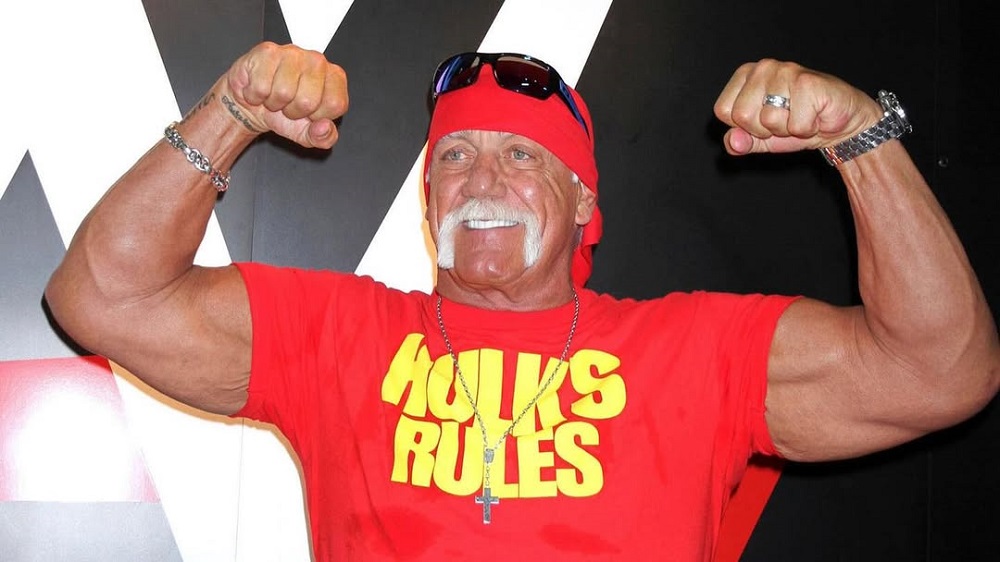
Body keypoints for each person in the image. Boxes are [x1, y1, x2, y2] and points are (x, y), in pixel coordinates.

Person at [45, 42, 999, 561]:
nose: (481, 179)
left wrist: (861, 140)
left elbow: (938, 371)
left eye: (520, 155)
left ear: (583, 200)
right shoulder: (339, 334)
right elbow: (101, 296)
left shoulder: (694, 349)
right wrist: (231, 114)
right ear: (429, 204)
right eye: (455, 156)